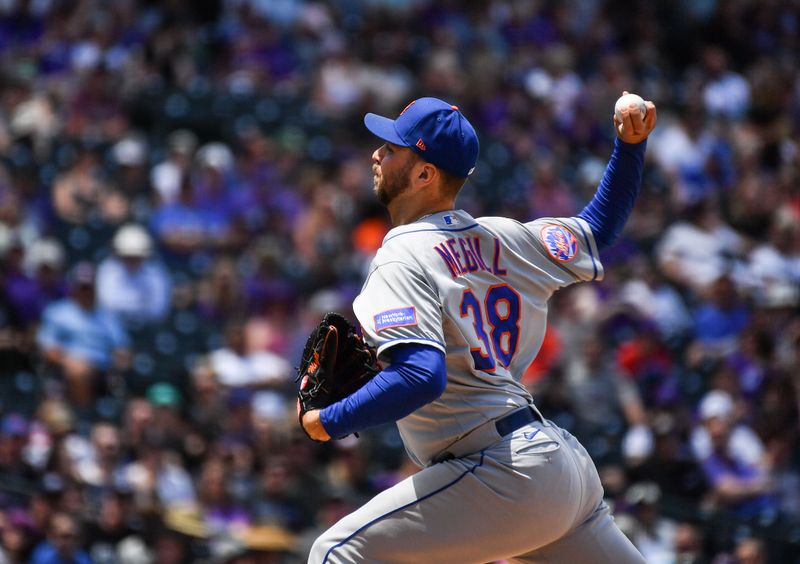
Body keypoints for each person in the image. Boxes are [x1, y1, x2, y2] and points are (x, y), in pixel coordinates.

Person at [299, 94, 656, 562]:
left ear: (425, 173)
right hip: (557, 467)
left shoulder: (401, 256)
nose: (377, 154)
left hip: (502, 471)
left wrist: (327, 422)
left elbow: (420, 376)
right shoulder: (504, 236)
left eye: (392, 148)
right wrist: (629, 146)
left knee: (335, 553)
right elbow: (597, 228)